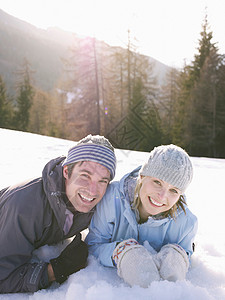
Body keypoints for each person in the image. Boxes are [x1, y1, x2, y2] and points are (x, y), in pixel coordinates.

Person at [0, 134, 116, 293]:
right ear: (66, 171)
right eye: (85, 176)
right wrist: (55, 270)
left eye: (103, 180)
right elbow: (3, 277)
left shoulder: (96, 202)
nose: (92, 190)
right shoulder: (26, 207)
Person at [85, 144, 198, 288]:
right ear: (142, 176)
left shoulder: (186, 222)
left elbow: (186, 252)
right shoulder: (112, 199)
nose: (162, 197)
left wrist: (175, 258)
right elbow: (94, 244)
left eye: (174, 191)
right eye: (157, 182)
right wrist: (121, 252)